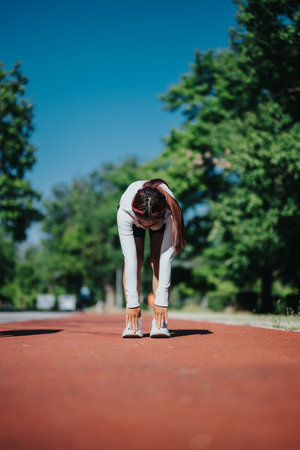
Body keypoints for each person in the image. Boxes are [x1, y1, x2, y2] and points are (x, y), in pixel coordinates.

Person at [117, 179, 186, 338]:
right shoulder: (125, 211)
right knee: (137, 258)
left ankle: (160, 321)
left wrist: (161, 302)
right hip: (133, 215)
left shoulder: (170, 212)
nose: (146, 228)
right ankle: (133, 323)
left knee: (156, 259)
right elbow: (130, 259)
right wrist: (132, 304)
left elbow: (166, 258)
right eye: (143, 224)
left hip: (160, 215)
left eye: (150, 225)